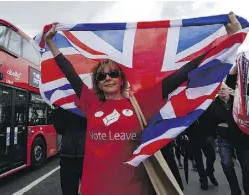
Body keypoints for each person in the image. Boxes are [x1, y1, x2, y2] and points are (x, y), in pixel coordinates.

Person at [44, 12, 241, 195]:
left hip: (133, 189)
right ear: (97, 82)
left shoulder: (141, 102)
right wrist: (51, 42)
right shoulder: (90, 102)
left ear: (121, 78)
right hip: (93, 188)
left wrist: (229, 41)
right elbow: (69, 72)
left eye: (113, 73)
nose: (107, 78)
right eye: (101, 76)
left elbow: (181, 74)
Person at [212, 54, 249, 195]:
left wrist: (237, 63)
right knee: (227, 164)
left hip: (241, 139)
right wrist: (216, 130)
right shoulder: (213, 106)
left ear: (228, 90)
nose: (221, 92)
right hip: (224, 139)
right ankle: (235, 191)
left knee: (246, 168)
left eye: (223, 89)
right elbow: (210, 122)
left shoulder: (238, 101)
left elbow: (233, 79)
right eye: (219, 90)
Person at [50, 105, 87, 195]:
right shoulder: (64, 105)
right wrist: (57, 110)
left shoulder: (90, 101)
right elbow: (60, 129)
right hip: (68, 156)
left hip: (88, 156)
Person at [184, 111, 218, 190]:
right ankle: (203, 180)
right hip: (192, 136)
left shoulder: (202, 104)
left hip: (205, 134)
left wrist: (214, 133)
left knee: (212, 156)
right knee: (198, 160)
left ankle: (209, 172)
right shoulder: (185, 106)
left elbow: (210, 118)